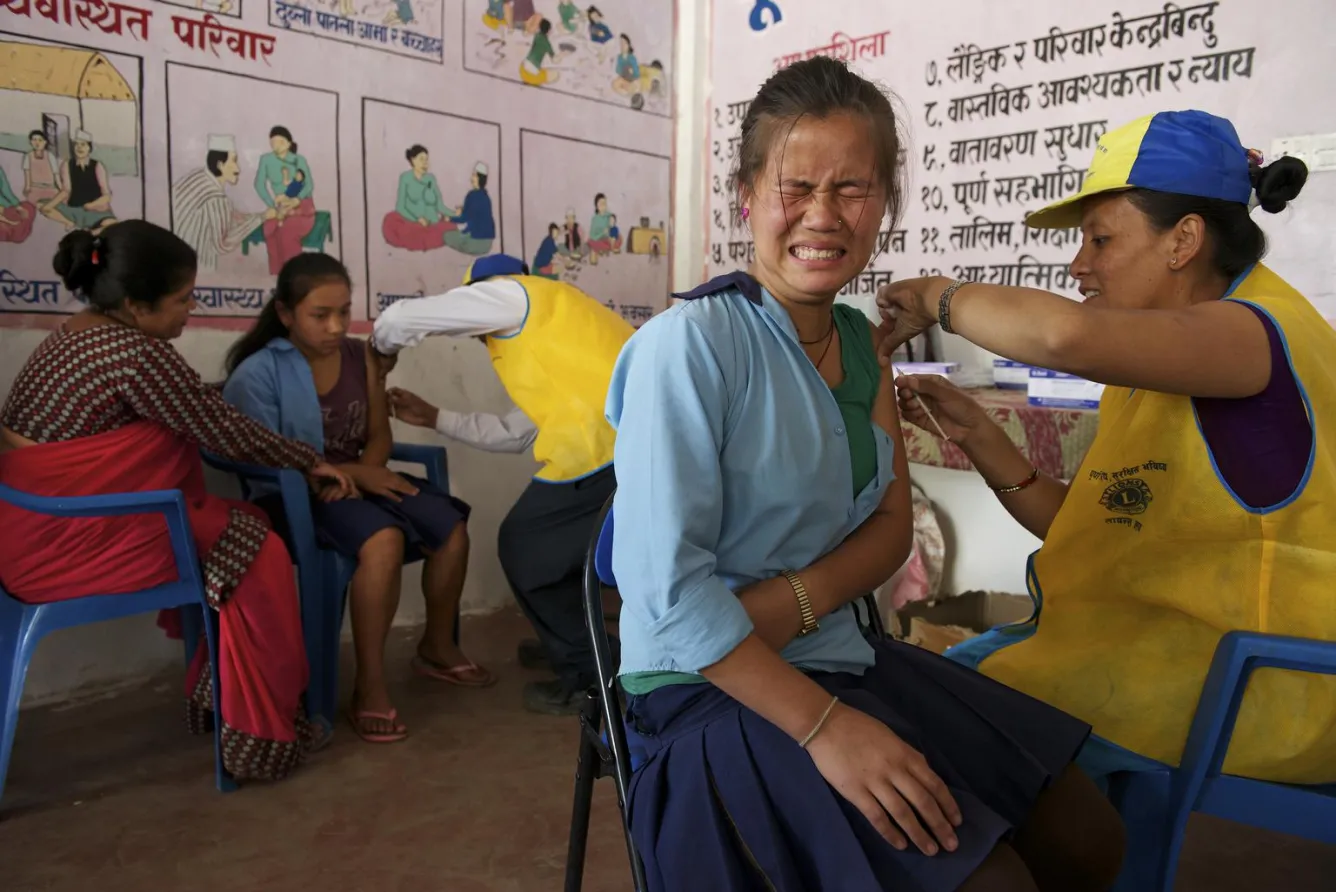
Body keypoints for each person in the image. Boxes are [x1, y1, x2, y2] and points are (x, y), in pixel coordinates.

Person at [605, 57, 1123, 891]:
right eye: (794, 185)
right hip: (707, 684)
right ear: (746, 194)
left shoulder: (858, 344)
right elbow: (667, 596)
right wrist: (824, 728)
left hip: (836, 651)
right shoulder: (690, 345)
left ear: (885, 202)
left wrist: (787, 606)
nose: (822, 214)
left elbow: (889, 529)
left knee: (1086, 836)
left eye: (854, 188)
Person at [877, 110, 1336, 787]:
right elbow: (1094, 532)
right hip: (1140, 659)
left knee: (909, 741)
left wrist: (934, 296)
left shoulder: (1254, 334)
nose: (1078, 264)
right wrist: (980, 435)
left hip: (1242, 697)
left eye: (1100, 239)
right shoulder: (1157, 360)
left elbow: (1066, 337)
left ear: (1183, 240)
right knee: (908, 710)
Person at [0, 221, 354, 780]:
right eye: (182, 299)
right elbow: (219, 428)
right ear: (136, 306)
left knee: (240, 526)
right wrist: (309, 459)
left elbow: (187, 404)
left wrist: (207, 403)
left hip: (31, 531)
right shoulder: (135, 354)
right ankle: (259, 733)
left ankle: (224, 697)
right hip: (81, 542)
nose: (191, 309)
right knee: (258, 546)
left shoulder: (76, 333)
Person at [224, 253, 485, 744]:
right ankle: (369, 687)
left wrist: (367, 470)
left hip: (360, 482)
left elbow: (379, 434)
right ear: (285, 314)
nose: (336, 325)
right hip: (295, 494)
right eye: (320, 315)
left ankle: (436, 646)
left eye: (344, 311)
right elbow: (263, 455)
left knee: (448, 523)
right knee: (382, 540)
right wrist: (353, 472)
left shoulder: (358, 357)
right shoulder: (259, 374)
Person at [369, 254, 634, 715]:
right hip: (626, 445)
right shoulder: (554, 327)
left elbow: (399, 318)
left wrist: (379, 350)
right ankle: (574, 641)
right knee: (563, 553)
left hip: (605, 451)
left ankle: (588, 675)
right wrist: (435, 418)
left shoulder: (514, 296)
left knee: (524, 548)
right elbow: (519, 432)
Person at [171, 134, 271, 271]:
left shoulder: (197, 177)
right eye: (234, 161)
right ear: (220, 165)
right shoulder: (217, 199)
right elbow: (223, 243)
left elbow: (225, 216)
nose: (238, 169)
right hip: (198, 265)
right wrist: (262, 217)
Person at [254, 125, 316, 275]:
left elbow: (309, 185)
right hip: (279, 206)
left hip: (300, 207)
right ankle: (276, 277)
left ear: (289, 143)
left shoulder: (298, 160)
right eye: (273, 142)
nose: (276, 145)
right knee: (271, 232)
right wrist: (272, 205)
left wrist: (297, 200)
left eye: (280, 142)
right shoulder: (266, 160)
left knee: (287, 233)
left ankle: (294, 276)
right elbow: (259, 184)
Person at [42, 130, 116, 234]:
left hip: (95, 210)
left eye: (83, 144)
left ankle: (89, 234)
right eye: (76, 144)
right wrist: (49, 206)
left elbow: (107, 195)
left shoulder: (97, 166)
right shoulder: (66, 164)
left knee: (112, 224)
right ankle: (68, 222)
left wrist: (92, 205)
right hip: (74, 208)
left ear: (89, 147)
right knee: (43, 206)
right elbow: (66, 190)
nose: (79, 147)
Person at [382, 144, 453, 253]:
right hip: (411, 222)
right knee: (395, 225)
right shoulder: (405, 178)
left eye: (426, 160)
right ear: (412, 160)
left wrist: (455, 214)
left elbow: (440, 206)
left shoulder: (431, 179)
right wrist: (417, 219)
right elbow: (400, 207)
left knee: (449, 228)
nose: (425, 163)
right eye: (421, 159)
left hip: (432, 224)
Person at [443, 162, 496, 256]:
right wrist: (463, 210)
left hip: (476, 241)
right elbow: (475, 213)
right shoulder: (485, 196)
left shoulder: (472, 195)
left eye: (474, 175)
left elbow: (464, 218)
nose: (471, 178)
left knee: (446, 236)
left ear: (480, 178)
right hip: (488, 243)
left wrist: (449, 218)